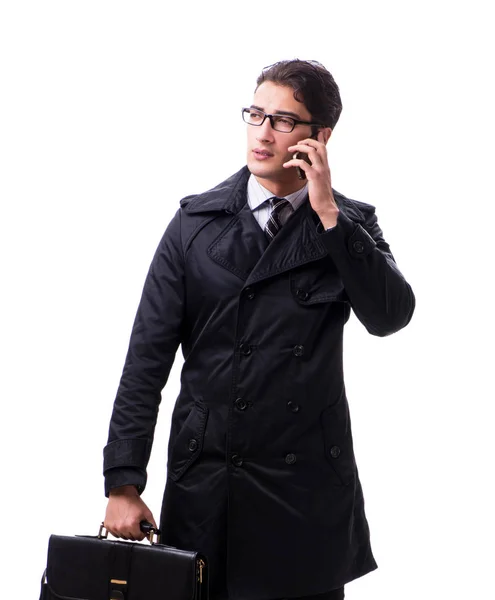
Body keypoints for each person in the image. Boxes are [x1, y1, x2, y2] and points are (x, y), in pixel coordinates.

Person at [102, 59, 415, 600]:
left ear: (321, 136)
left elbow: (390, 316)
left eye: (284, 121)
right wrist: (123, 482)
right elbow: (145, 362)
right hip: (208, 483)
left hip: (306, 490)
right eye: (256, 114)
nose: (263, 133)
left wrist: (328, 212)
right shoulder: (194, 225)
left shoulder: (348, 225)